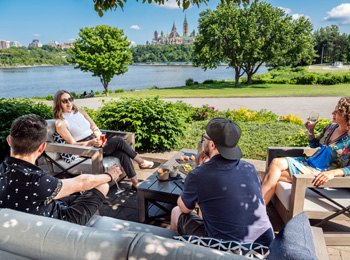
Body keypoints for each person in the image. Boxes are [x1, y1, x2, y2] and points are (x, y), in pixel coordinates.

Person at [0, 115, 122, 225]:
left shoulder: (3, 169)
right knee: (102, 185)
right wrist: (110, 175)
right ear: (42, 147)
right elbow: (82, 183)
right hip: (59, 223)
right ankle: (85, 232)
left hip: (34, 209)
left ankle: (91, 225)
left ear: (9, 140)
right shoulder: (37, 180)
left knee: (77, 193)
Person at [170, 117, 274, 247]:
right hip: (265, 245)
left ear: (212, 144)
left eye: (205, 138)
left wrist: (195, 175)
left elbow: (185, 209)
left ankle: (176, 251)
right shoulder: (249, 168)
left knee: (176, 211)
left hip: (229, 249)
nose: (204, 142)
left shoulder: (199, 174)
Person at [53, 90, 159, 189]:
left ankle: (135, 183)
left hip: (97, 141)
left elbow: (94, 127)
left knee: (122, 154)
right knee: (120, 141)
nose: (69, 103)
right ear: (59, 103)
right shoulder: (61, 122)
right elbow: (73, 144)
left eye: (70, 99)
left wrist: (99, 136)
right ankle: (141, 161)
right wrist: (91, 143)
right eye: (65, 101)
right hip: (86, 148)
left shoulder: (80, 112)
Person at [262, 96, 350, 206]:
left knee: (272, 175)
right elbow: (314, 144)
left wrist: (333, 173)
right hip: (309, 164)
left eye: (337, 112)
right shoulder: (331, 127)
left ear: (347, 116)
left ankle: (256, 212)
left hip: (321, 173)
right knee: (276, 163)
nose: (332, 112)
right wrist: (311, 131)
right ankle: (258, 213)